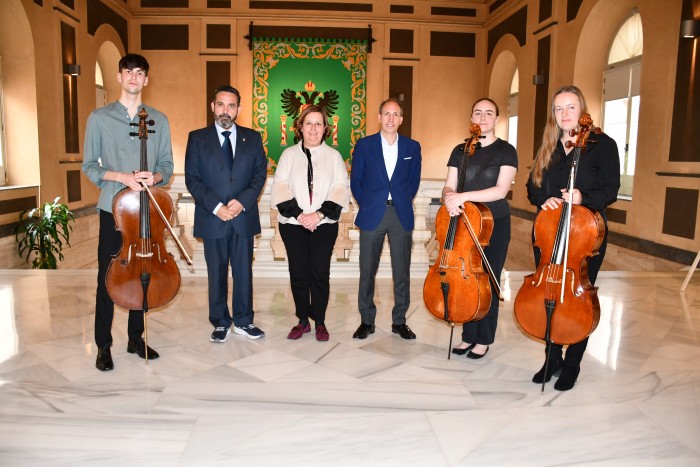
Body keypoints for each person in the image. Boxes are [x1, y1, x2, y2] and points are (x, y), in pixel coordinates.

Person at [83, 53, 174, 371]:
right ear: (119, 76)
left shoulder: (158, 120)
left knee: (142, 273)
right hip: (113, 208)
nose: (134, 77)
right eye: (128, 72)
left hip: (145, 209)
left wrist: (156, 177)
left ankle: (136, 338)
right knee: (107, 277)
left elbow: (167, 166)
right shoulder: (99, 118)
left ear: (146, 79)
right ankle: (102, 345)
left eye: (140, 73)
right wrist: (120, 177)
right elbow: (89, 167)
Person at [526, 84, 620, 390]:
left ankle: (573, 362)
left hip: (586, 233)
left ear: (582, 110)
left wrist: (583, 196)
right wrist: (543, 199)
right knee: (549, 293)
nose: (564, 114)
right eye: (558, 108)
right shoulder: (549, 145)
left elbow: (610, 189)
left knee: (579, 296)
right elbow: (532, 186)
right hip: (549, 232)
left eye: (570, 107)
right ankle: (552, 356)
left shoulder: (602, 144)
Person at [184, 85, 267, 343]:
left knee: (243, 272)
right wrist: (217, 207)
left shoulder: (252, 138)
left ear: (238, 110)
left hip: (242, 217)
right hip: (213, 218)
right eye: (221, 104)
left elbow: (259, 175)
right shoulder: (197, 138)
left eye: (231, 106)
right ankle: (220, 322)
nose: (225, 110)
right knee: (216, 272)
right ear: (213, 106)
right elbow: (193, 179)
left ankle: (244, 321)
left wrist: (241, 203)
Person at [443, 98, 518, 359]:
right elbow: (449, 185)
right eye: (477, 112)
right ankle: (468, 336)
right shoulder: (460, 150)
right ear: (471, 117)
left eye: (489, 113)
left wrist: (463, 197)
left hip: (493, 223)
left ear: (496, 119)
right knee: (466, 278)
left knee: (487, 279)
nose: (483, 117)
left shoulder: (506, 150)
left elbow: (500, 190)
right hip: (464, 222)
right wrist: (449, 199)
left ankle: (484, 339)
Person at [271, 105, 350, 341]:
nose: (313, 128)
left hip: (324, 225)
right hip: (293, 225)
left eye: (318, 123)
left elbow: (339, 188)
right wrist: (300, 215)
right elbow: (280, 187)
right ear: (300, 127)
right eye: (309, 123)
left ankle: (321, 322)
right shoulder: (288, 155)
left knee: (319, 272)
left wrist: (318, 215)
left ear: (325, 128)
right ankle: (303, 320)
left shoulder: (334, 156)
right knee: (298, 273)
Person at [350, 98, 422, 340]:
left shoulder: (413, 147)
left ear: (401, 119)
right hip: (372, 214)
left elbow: (413, 182)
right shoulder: (364, 145)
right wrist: (368, 203)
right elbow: (356, 182)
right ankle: (367, 320)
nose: (391, 119)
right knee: (367, 270)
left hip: (400, 214)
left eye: (396, 114)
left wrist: (400, 200)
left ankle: (399, 321)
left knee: (402, 271)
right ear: (379, 117)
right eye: (386, 114)